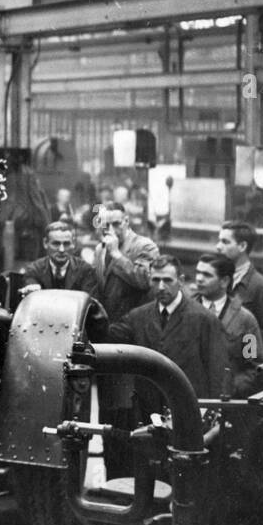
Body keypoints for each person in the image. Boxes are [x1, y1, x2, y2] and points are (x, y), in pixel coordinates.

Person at [109, 255, 228, 421]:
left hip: (187, 411)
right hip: (148, 411)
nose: (161, 287)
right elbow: (111, 336)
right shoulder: (138, 316)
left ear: (180, 281)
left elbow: (218, 370)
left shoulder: (205, 320)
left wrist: (213, 411)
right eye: (155, 280)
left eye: (167, 280)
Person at [92, 203, 158, 478]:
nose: (111, 230)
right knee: (109, 417)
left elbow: (145, 280)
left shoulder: (145, 246)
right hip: (110, 342)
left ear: (127, 221)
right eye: (105, 225)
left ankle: (137, 482)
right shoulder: (99, 250)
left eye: (116, 223)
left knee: (133, 414)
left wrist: (117, 253)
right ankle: (113, 478)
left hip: (135, 341)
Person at [193, 253, 262, 398]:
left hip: (227, 402)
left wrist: (231, 387)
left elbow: (253, 366)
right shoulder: (184, 312)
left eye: (206, 275)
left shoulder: (245, 321)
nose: (199, 278)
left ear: (224, 281)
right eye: (198, 272)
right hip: (189, 397)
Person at [215, 221, 263, 352]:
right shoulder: (216, 281)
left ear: (242, 246)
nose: (218, 247)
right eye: (219, 241)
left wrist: (240, 345)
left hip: (243, 363)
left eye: (225, 242)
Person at [21, 221, 101, 297]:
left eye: (66, 244)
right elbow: (31, 290)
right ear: (45, 243)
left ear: (73, 244)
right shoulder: (34, 270)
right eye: (56, 244)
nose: (61, 250)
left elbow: (91, 304)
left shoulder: (85, 271)